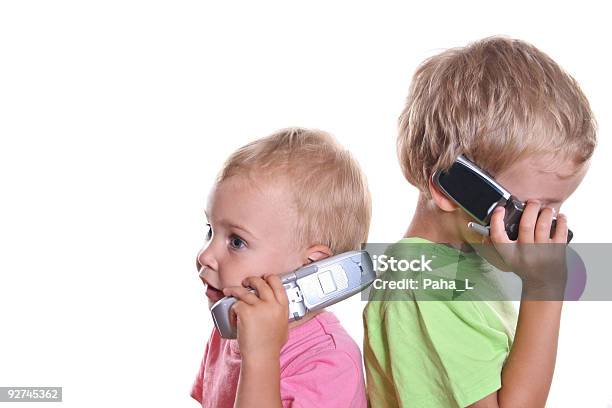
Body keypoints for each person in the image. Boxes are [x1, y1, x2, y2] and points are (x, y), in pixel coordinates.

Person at [363, 36, 597, 407]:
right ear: (450, 187)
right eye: (529, 211)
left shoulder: (460, 266)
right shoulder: (428, 289)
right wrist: (545, 288)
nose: (547, 230)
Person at [192, 127, 371, 407]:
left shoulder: (330, 364)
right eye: (210, 231)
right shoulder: (229, 327)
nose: (205, 255)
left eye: (236, 242)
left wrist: (261, 356)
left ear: (311, 266)